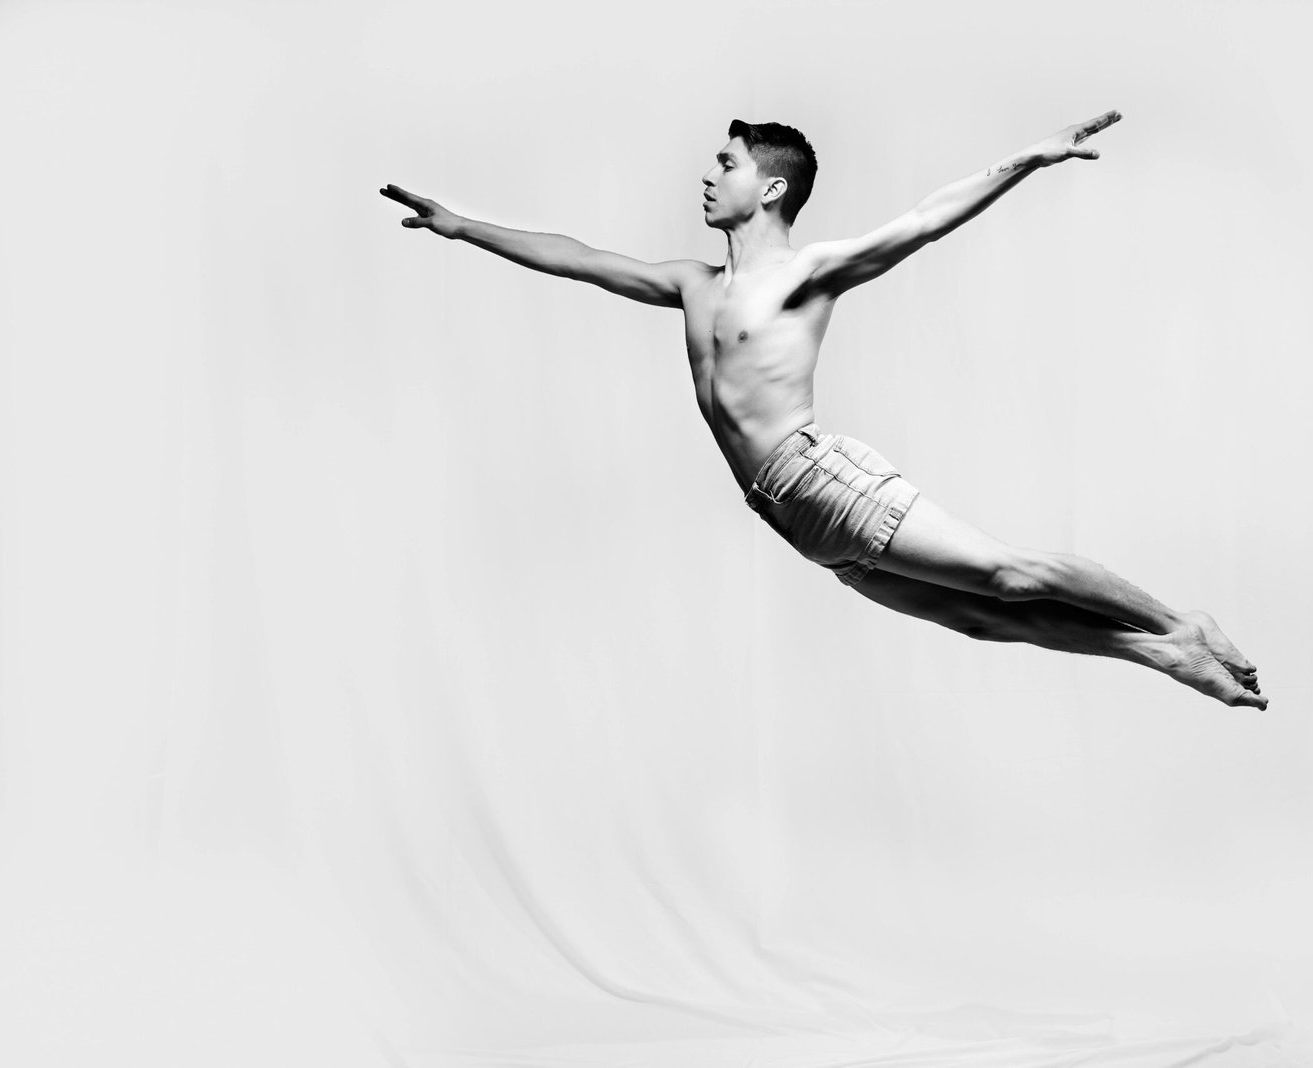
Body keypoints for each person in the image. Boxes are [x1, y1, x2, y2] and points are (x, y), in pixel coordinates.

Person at [379, 112, 1267, 708]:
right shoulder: (692, 284)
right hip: (789, 516)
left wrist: (1024, 162)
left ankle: (1177, 622)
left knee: (1008, 574)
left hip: (819, 479)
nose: (707, 175)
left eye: (725, 164)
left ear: (769, 188)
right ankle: (1160, 654)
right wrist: (463, 226)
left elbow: (919, 223)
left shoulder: (805, 275)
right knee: (980, 616)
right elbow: (573, 256)